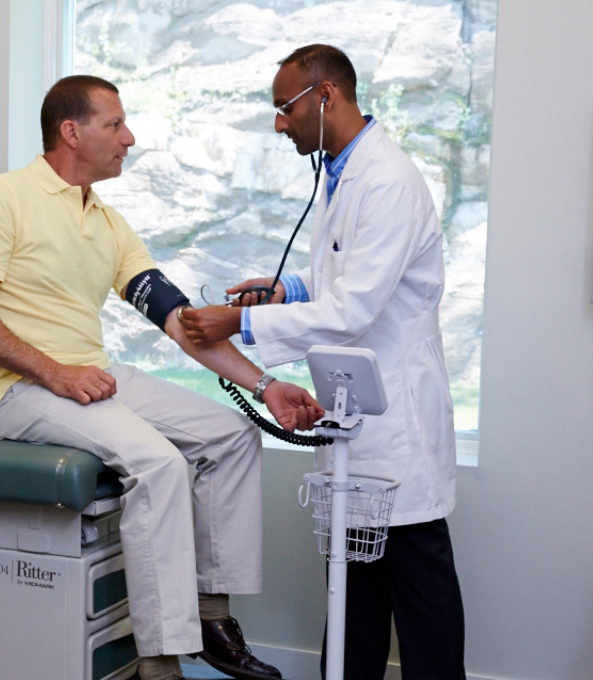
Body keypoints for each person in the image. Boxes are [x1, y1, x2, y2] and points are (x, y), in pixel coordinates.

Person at [0, 75, 324, 680]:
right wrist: (55, 372)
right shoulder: (2, 197)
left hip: (84, 374)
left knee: (231, 436)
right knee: (159, 463)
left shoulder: (107, 221)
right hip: (9, 390)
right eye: (115, 125)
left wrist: (263, 385)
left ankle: (211, 618)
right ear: (72, 132)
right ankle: (162, 664)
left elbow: (179, 320)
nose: (130, 138)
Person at [179, 44, 466, 680]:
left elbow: (353, 310)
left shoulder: (386, 179)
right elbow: (345, 278)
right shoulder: (343, 170)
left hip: (397, 421)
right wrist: (288, 292)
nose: (280, 124)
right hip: (355, 413)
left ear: (325, 95)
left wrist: (243, 321)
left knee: (422, 597)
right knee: (354, 588)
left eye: (285, 108)